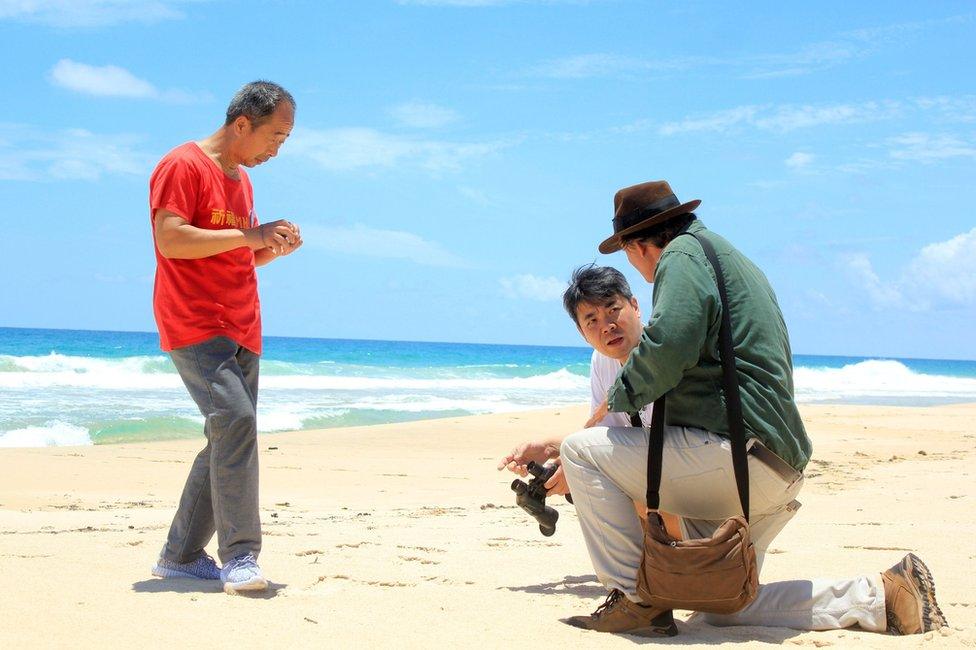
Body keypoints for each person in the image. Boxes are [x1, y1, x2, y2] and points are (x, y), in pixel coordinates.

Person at [505, 180, 947, 637]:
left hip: (737, 460)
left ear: (638, 248)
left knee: (581, 451)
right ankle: (885, 596)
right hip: (769, 465)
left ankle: (634, 600)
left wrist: (616, 400)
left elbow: (669, 347)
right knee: (713, 600)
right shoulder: (729, 258)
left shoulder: (681, 257)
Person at [147, 81, 303, 595]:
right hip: (195, 322)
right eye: (274, 137)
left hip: (242, 323)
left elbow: (237, 251)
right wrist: (253, 235)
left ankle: (181, 555)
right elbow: (170, 239)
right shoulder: (182, 165)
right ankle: (240, 556)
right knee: (236, 424)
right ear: (242, 124)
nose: (277, 150)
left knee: (226, 434)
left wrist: (271, 246)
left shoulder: (241, 181)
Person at [499, 264, 681, 538]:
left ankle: (639, 566)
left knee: (592, 478)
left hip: (691, 480)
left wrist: (576, 468)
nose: (607, 326)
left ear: (635, 306)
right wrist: (551, 449)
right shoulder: (602, 361)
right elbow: (607, 436)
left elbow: (672, 446)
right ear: (582, 333)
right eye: (591, 320)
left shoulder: (667, 352)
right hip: (654, 478)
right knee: (579, 466)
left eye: (613, 309)